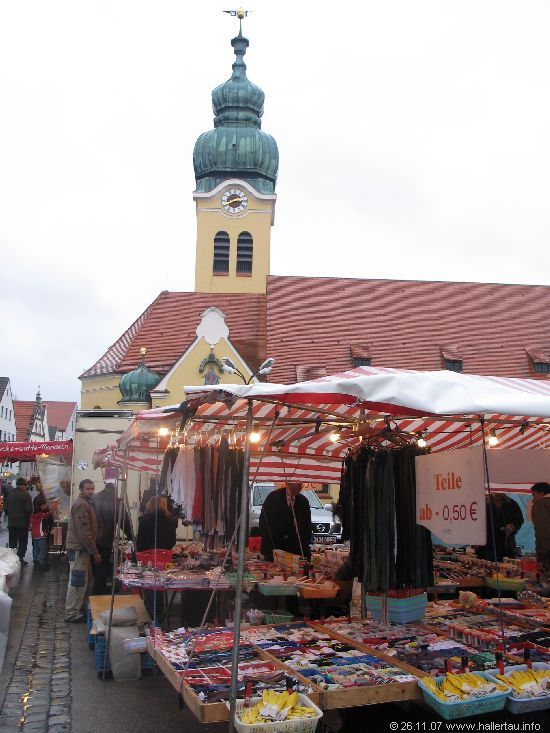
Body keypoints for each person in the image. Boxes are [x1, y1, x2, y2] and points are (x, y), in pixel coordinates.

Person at [65, 479, 101, 623]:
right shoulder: (81, 505)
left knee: (85, 581)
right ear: (81, 490)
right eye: (88, 489)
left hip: (81, 549)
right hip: (79, 549)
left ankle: (79, 610)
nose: (91, 491)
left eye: (92, 488)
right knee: (78, 582)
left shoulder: (87, 503)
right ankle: (72, 613)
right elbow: (84, 531)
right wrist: (94, 551)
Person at [136, 495, 178, 621]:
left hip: (147, 558)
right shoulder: (171, 522)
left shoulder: (144, 521)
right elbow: (172, 542)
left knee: (150, 585)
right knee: (160, 586)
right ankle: (158, 615)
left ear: (149, 506)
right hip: (163, 559)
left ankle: (151, 615)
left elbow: (140, 543)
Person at [91, 482, 134, 595]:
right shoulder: (117, 502)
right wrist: (132, 537)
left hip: (92, 538)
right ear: (115, 491)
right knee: (102, 564)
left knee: (92, 563)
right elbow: (125, 522)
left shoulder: (94, 498)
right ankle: (99, 589)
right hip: (105, 539)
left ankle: (92, 587)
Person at [259, 482, 312, 562]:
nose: (299, 486)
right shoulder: (273, 497)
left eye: (300, 484)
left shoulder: (303, 501)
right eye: (296, 483)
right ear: (288, 483)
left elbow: (307, 526)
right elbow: (263, 522)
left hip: (295, 550)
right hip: (275, 548)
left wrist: (305, 545)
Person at [476, 492, 524, 561]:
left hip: (506, 544)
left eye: (499, 492)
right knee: (488, 565)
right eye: (495, 491)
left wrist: (512, 526)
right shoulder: (483, 502)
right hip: (487, 544)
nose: (497, 493)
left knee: (506, 565)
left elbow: (519, 519)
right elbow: (475, 520)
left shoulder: (512, 503)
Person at [5, 477, 33, 565]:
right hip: (22, 523)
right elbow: (29, 510)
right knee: (22, 541)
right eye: (25, 485)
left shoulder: (10, 495)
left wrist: (11, 515)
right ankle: (20, 558)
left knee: (12, 541)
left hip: (11, 523)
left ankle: (12, 559)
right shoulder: (26, 495)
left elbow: (6, 509)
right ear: (22, 486)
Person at [531, 482, 550, 581]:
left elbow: (543, 533)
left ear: (541, 493)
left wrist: (541, 558)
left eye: (533, 494)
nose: (532, 499)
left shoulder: (541, 504)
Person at [30, 495, 53, 571]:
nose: (46, 506)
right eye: (45, 504)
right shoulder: (41, 515)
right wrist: (52, 510)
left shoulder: (32, 515)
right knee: (43, 550)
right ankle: (41, 564)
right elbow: (47, 515)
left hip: (34, 535)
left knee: (36, 549)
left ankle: (36, 561)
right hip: (41, 535)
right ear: (42, 506)